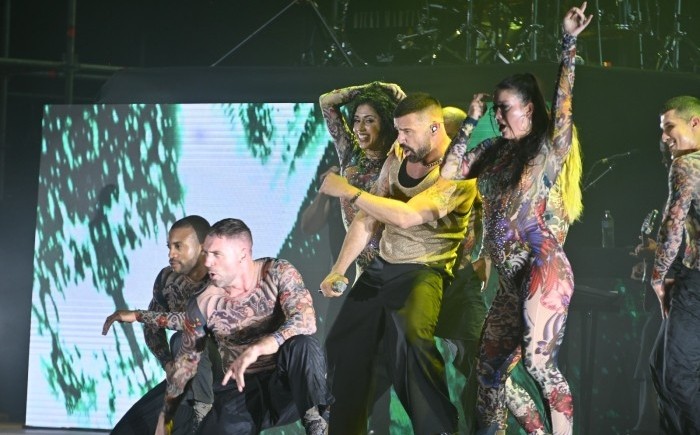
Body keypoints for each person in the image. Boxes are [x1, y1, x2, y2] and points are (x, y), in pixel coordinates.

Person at [439, 4, 592, 433]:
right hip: (509, 283)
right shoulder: (493, 151)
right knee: (489, 374)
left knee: (540, 365)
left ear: (529, 108)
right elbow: (449, 172)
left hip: (542, 269)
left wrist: (569, 42)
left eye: (504, 108)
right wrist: (470, 121)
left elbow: (563, 104)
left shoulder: (547, 147)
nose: (498, 116)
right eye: (495, 109)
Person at [318, 92, 483, 434]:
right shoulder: (398, 156)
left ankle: (438, 429)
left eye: (407, 131)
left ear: (435, 128)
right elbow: (368, 218)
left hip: (424, 271)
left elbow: (407, 216)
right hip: (382, 268)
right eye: (398, 130)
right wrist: (338, 269)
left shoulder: (460, 172)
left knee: (411, 343)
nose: (400, 138)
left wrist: (348, 190)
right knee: (343, 345)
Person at [103, 218, 333, 435]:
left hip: (290, 384)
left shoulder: (277, 272)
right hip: (242, 390)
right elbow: (186, 362)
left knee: (303, 344)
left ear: (242, 254)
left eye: (216, 255)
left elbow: (305, 321)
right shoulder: (203, 301)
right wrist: (166, 419)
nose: (207, 262)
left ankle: (317, 423)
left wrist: (257, 349)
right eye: (207, 254)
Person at [105, 215, 217, 434]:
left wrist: (136, 315)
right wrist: (167, 364)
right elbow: (153, 328)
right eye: (169, 247)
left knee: (183, 337)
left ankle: (201, 410)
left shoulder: (220, 277)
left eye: (178, 246)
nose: (170, 254)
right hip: (185, 376)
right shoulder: (167, 279)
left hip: (222, 372)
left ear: (203, 247)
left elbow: (194, 324)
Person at [650, 95, 700, 434]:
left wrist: (659, 277)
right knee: (660, 365)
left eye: (670, 127)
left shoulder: (686, 166)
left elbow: (672, 225)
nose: (665, 137)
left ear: (695, 123)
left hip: (695, 283)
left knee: (676, 376)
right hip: (691, 279)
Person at [318, 81, 404, 276]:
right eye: (357, 120)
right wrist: (372, 88)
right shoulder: (349, 152)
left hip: (398, 268)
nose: (360, 128)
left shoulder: (400, 158)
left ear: (386, 122)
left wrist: (402, 99)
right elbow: (326, 101)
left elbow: (422, 126)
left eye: (369, 120)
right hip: (362, 272)